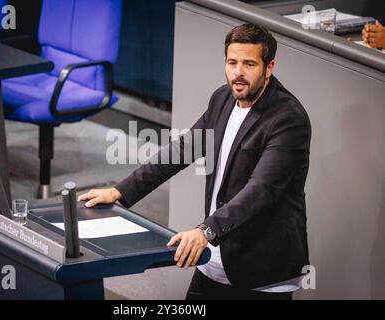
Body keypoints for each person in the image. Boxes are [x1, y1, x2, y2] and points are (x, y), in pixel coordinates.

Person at [78, 23, 311, 300]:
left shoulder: (288, 119)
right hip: (214, 257)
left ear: (268, 67)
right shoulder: (222, 99)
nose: (238, 72)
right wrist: (120, 191)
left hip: (261, 268)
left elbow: (261, 191)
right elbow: (182, 150)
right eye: (232, 62)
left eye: (249, 64)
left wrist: (205, 231)